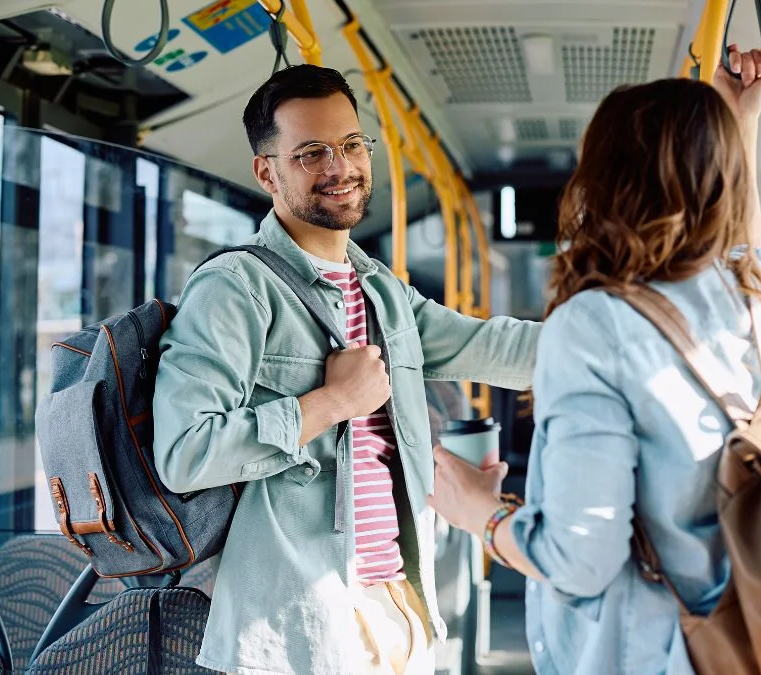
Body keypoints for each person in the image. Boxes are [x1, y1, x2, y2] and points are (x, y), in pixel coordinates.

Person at [152, 64, 541, 675]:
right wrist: (330, 404)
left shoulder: (380, 289)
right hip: (300, 624)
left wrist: (623, 345)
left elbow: (492, 346)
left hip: (398, 606)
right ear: (267, 172)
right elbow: (185, 454)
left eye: (352, 144)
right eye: (310, 153)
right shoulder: (236, 288)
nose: (341, 166)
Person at [427, 46, 761, 674]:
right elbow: (746, 256)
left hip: (648, 652)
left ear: (603, 184)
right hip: (754, 631)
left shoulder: (594, 326)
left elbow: (579, 562)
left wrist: (477, 511)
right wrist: (741, 122)